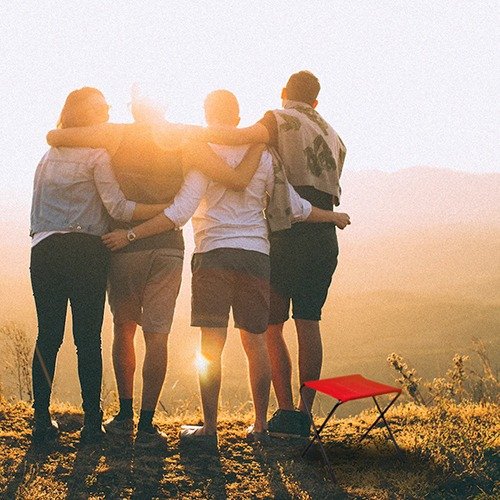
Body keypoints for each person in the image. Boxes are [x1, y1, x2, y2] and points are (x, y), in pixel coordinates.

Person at [101, 89, 350, 445]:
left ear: (207, 114)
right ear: (238, 117)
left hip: (213, 254)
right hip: (256, 255)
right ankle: (260, 426)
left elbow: (180, 212)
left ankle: (209, 429)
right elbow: (294, 207)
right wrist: (332, 216)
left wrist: (131, 234)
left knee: (211, 346)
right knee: (256, 342)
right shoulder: (264, 155)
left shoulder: (202, 154)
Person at [45, 93, 264, 447]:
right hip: (168, 248)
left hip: (125, 246)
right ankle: (147, 425)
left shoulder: (116, 133)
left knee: (124, 329)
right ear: (164, 107)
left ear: (133, 109)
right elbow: (233, 168)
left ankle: (124, 416)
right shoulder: (184, 136)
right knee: (157, 335)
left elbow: (57, 136)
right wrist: (260, 136)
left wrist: (57, 134)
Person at [186, 71, 348, 437]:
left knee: (270, 327)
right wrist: (332, 217)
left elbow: (238, 137)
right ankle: (305, 414)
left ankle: (284, 411)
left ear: (284, 92)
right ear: (316, 101)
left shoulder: (278, 119)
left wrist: (189, 134)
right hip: (322, 235)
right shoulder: (334, 136)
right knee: (309, 322)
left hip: (286, 232)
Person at [30, 87, 168, 444]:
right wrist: (164, 210)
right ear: (84, 114)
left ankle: (41, 420)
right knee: (88, 339)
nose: (107, 111)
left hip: (44, 250)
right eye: (100, 107)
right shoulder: (97, 155)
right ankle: (92, 423)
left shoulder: (47, 157)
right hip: (85, 252)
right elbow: (118, 208)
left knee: (48, 336)